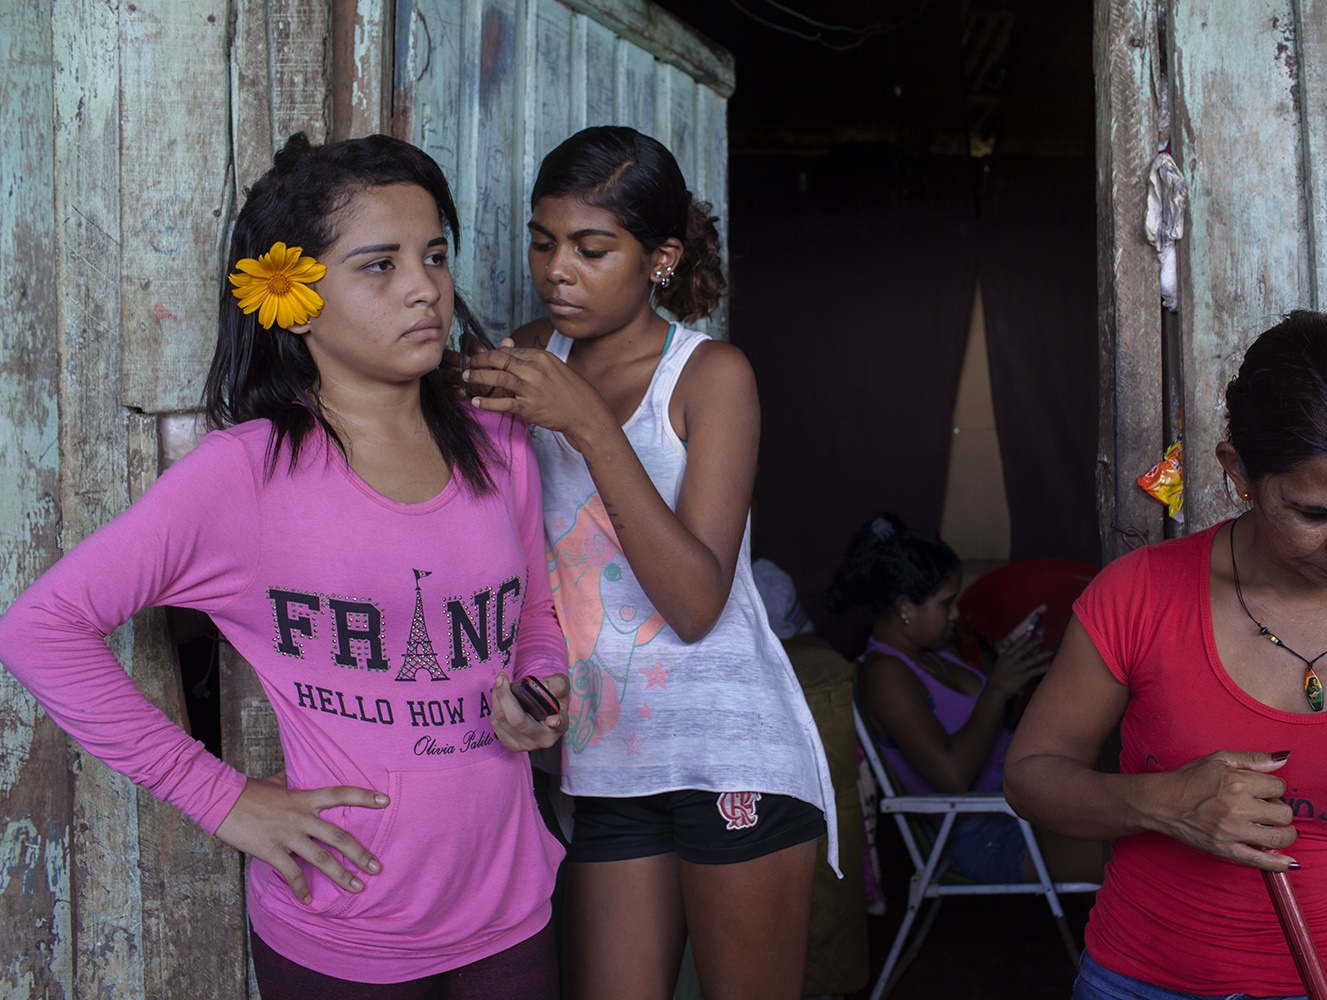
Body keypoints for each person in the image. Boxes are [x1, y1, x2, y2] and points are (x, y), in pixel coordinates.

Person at [0, 133, 572, 998]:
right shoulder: (246, 476)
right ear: (296, 303)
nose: (425, 287)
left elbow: (531, 616)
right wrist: (220, 797)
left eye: (434, 255)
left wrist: (538, 687)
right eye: (379, 266)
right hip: (344, 924)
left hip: (512, 906)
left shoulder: (498, 438)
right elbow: (40, 628)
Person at [1005, 309, 1327, 998]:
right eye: (1316, 514)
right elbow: (1031, 778)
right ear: (1239, 471)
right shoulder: (1140, 593)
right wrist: (1161, 801)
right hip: (1137, 983)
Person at [460, 125, 835, 1000]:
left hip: (729, 749)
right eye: (543, 242)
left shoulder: (710, 376)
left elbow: (698, 603)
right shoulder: (532, 354)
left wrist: (589, 424)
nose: (557, 271)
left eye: (592, 250)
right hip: (608, 756)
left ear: (660, 258)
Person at [825, 513, 1097, 885]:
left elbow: (994, 727)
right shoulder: (885, 675)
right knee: (1133, 856)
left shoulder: (936, 651)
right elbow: (953, 775)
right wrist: (996, 689)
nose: (956, 614)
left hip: (1025, 798)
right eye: (945, 603)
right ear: (906, 608)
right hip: (986, 828)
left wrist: (1008, 676)